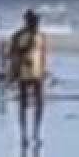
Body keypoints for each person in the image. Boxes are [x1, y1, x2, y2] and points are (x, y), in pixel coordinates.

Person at [6, 9, 48, 143]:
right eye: (34, 21)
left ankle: (36, 133)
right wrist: (14, 71)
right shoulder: (18, 36)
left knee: (39, 105)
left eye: (36, 21)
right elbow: (12, 54)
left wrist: (44, 70)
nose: (36, 23)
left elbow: (43, 54)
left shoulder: (41, 36)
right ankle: (23, 134)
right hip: (23, 74)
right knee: (23, 106)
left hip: (38, 74)